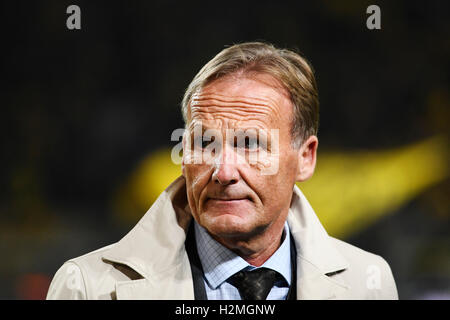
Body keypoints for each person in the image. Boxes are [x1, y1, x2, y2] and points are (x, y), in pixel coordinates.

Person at [46, 42, 398, 300]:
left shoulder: (369, 282)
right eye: (205, 144)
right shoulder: (87, 286)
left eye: (251, 144)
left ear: (305, 158)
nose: (224, 171)